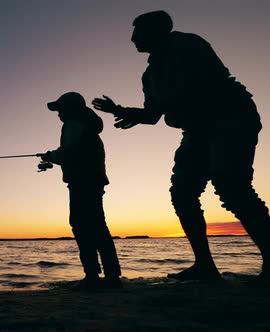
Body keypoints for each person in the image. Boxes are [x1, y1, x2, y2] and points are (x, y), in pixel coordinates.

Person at [92, 10, 270, 283]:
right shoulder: (149, 75)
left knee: (231, 186)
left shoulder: (188, 44)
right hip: (196, 130)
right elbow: (153, 115)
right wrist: (121, 111)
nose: (132, 39)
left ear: (157, 30)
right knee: (183, 192)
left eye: (137, 32)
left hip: (231, 116)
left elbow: (197, 87)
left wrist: (150, 110)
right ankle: (205, 266)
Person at [41, 92, 122, 289]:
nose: (58, 114)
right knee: (96, 226)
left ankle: (93, 276)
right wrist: (53, 157)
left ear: (71, 108)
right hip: (92, 180)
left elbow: (69, 151)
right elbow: (75, 152)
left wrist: (51, 156)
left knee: (82, 225)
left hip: (82, 181)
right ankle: (111, 276)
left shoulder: (74, 123)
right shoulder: (87, 125)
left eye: (60, 109)